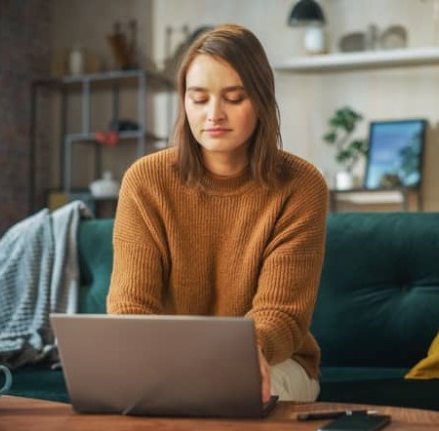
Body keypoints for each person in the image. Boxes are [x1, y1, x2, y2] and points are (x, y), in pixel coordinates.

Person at [106, 24, 328, 403]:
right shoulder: (145, 181)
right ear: (184, 102)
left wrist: (234, 356)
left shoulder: (301, 186)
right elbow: (130, 307)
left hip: (272, 361)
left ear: (260, 100)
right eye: (199, 99)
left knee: (232, 389)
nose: (214, 114)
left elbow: (280, 315)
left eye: (234, 98)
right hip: (168, 363)